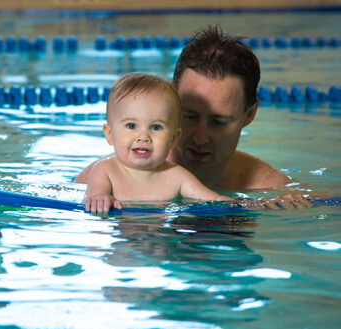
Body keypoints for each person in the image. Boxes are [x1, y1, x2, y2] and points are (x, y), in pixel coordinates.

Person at [76, 25, 312, 209]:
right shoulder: (103, 178)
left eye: (217, 122)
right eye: (189, 116)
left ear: (248, 116)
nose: (200, 138)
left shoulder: (270, 188)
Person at [83, 72, 233, 214]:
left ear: (174, 139)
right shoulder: (105, 170)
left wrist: (238, 204)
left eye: (156, 127)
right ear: (109, 134)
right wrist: (99, 198)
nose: (143, 137)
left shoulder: (177, 177)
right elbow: (92, 196)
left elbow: (213, 199)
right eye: (131, 126)